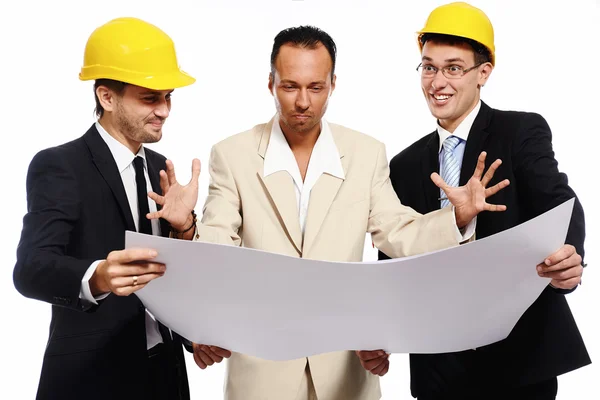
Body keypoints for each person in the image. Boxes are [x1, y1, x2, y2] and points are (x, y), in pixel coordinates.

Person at [148, 25, 508, 400]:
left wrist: (456, 218)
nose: (303, 101)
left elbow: (398, 231)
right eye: (290, 86)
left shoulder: (365, 154)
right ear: (270, 83)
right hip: (262, 373)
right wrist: (187, 226)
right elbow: (221, 243)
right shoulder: (233, 154)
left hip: (345, 372)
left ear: (333, 84)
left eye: (315, 87)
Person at [379, 2, 590, 399]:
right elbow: (394, 259)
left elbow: (561, 203)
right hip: (439, 365)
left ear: (483, 73)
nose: (437, 81)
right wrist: (382, 333)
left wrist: (570, 256)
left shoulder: (520, 131)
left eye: (453, 68)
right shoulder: (404, 165)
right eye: (428, 67)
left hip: (520, 357)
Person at [13, 17, 198, 400]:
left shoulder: (161, 167)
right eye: (150, 98)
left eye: (168, 97)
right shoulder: (60, 165)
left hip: (165, 377)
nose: (164, 110)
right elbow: (30, 269)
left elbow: (170, 281)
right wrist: (98, 276)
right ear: (106, 97)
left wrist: (185, 229)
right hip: (91, 379)